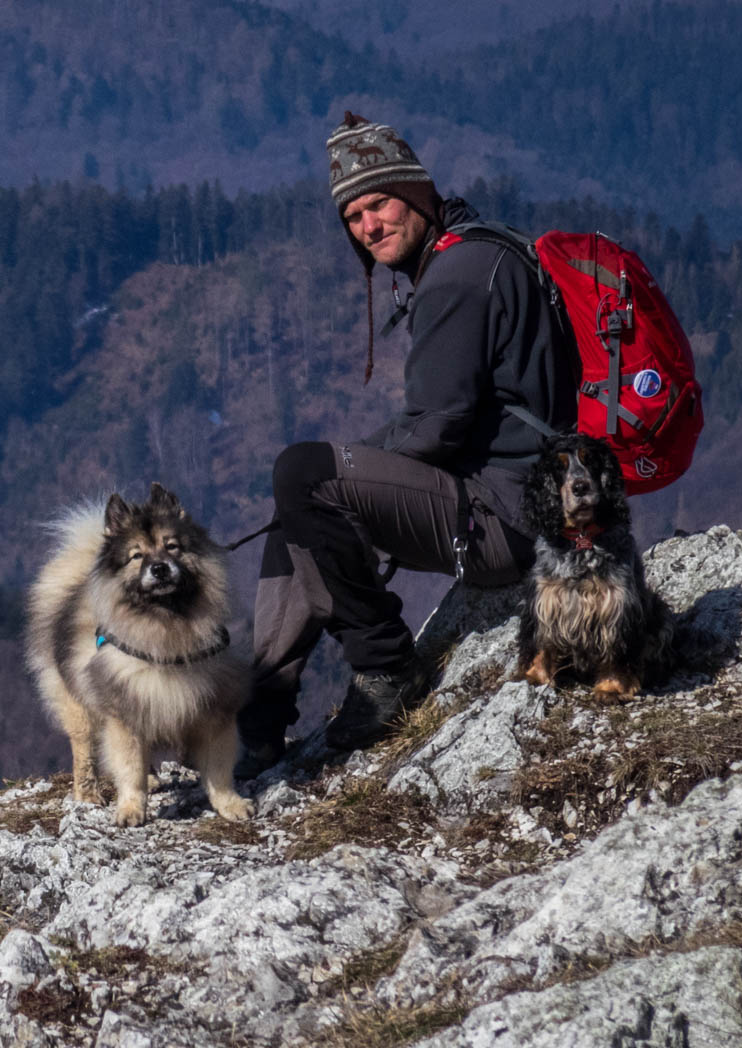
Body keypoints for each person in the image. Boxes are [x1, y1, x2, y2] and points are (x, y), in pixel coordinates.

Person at [236, 111, 580, 775]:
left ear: (417, 193)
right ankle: (255, 722)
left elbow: (435, 425)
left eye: (380, 203)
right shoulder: (478, 252)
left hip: (509, 518)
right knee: (300, 499)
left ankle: (386, 667)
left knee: (304, 475)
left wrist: (341, 473)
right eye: (354, 217)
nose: (370, 226)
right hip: (515, 499)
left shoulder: (458, 277)